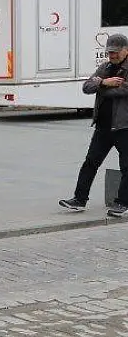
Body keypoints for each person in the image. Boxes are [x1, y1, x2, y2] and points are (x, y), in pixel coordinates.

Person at [60, 33, 128, 217]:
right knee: (90, 162)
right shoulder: (105, 67)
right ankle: (79, 199)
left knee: (126, 166)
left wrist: (102, 88)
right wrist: (104, 82)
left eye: (115, 52)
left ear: (125, 50)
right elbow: (87, 87)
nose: (111, 56)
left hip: (123, 127)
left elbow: (122, 91)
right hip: (103, 127)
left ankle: (122, 203)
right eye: (109, 52)